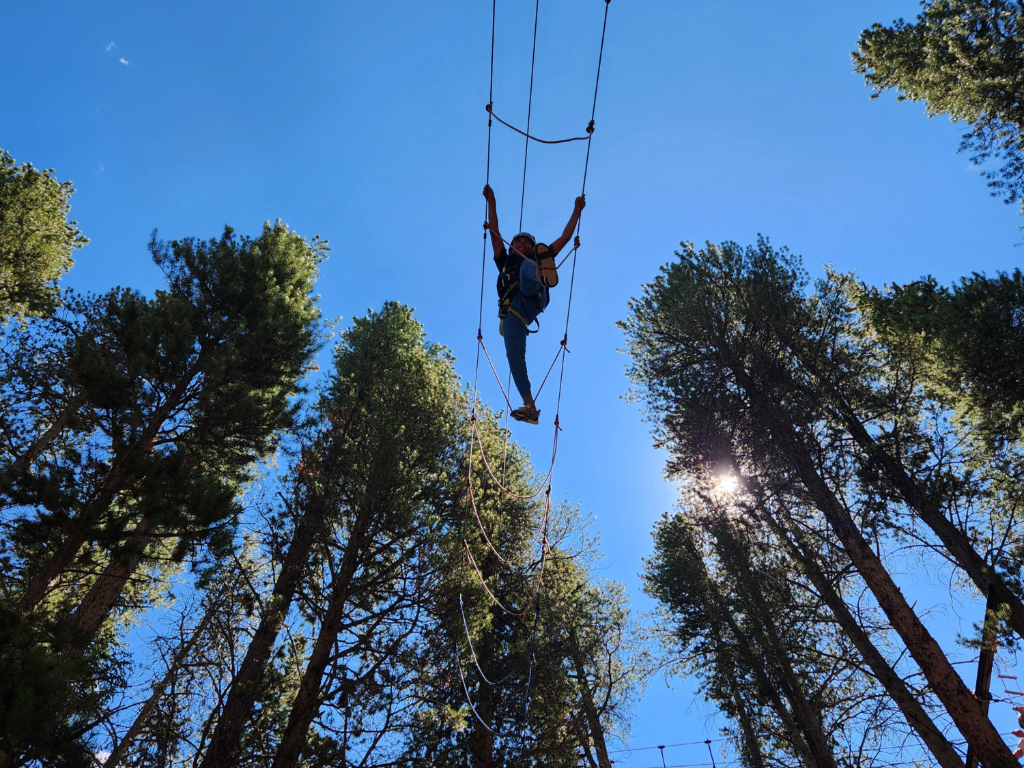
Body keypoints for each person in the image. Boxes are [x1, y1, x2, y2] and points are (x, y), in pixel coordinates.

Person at [483, 184, 585, 424]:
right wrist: (492, 201)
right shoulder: (504, 261)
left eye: (526, 243)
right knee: (514, 356)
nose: (521, 244)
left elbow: (565, 237)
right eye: (517, 242)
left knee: (529, 267)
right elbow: (495, 231)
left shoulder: (533, 256)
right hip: (512, 312)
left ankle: (543, 273)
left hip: (531, 294)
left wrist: (577, 211)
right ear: (510, 246)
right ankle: (530, 408)